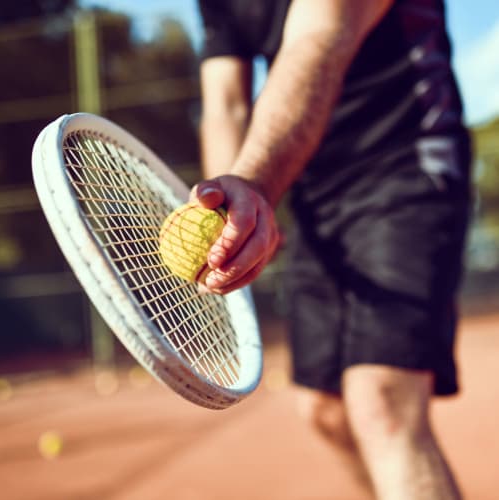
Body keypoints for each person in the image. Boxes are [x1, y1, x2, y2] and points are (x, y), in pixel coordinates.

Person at [193, 1, 471, 498]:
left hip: (407, 159)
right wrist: (226, 212)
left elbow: (318, 39)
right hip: (311, 187)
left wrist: (255, 185)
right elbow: (225, 104)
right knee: (325, 409)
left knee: (379, 400)